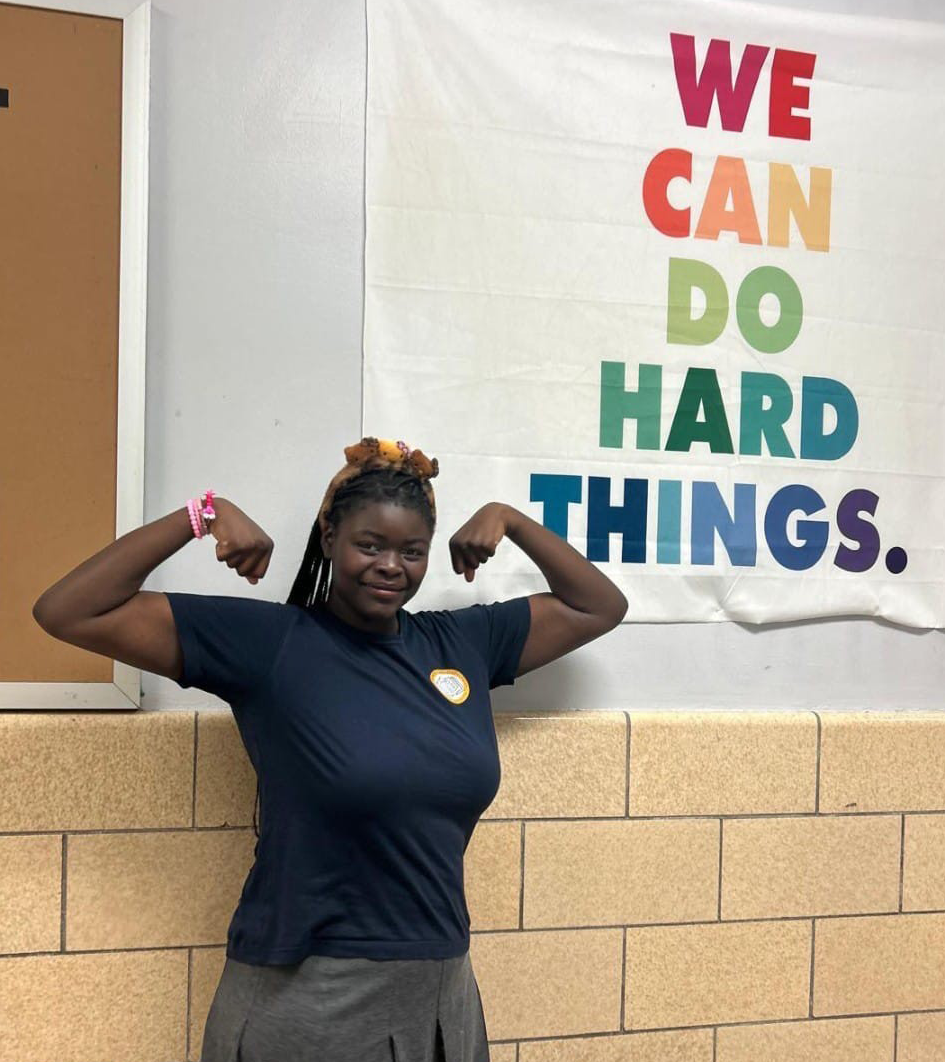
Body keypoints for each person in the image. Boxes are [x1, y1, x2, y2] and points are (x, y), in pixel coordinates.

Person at [31, 436, 627, 1062]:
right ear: (329, 540)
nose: (391, 565)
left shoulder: (464, 643)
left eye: (411, 551)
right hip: (307, 990)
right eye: (370, 545)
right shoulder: (270, 643)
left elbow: (599, 605)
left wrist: (511, 518)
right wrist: (199, 514)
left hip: (439, 983)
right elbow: (69, 611)